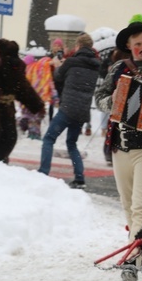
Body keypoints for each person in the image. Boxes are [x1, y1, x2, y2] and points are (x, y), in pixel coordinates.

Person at [95, 21, 142, 281]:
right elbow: (100, 97)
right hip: (121, 146)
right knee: (128, 207)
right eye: (137, 44)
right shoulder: (119, 69)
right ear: (129, 47)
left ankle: (131, 262)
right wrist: (115, 102)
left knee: (141, 207)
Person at [38, 33, 100, 189]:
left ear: (78, 46)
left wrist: (59, 64)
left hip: (67, 108)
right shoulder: (95, 65)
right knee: (72, 143)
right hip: (82, 111)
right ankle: (79, 179)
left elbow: (58, 77)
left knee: (49, 139)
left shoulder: (71, 62)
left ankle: (43, 172)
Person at [0, 39, 44, 162]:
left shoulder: (14, 68)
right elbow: (22, 87)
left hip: (6, 107)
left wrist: (36, 104)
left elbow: (22, 87)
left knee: (9, 136)